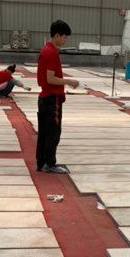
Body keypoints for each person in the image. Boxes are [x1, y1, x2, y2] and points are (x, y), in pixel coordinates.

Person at [36, 20, 80, 174]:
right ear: (56, 35)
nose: (65, 40)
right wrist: (69, 81)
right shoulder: (52, 52)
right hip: (52, 99)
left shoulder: (45, 50)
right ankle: (50, 164)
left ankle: (41, 162)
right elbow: (50, 79)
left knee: (44, 132)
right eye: (64, 37)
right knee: (53, 132)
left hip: (44, 98)